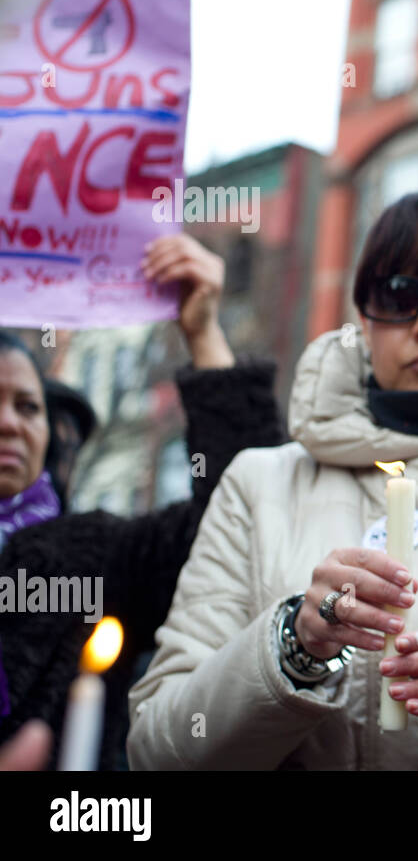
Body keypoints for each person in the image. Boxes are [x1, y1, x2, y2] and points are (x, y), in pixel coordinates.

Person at [127, 189, 418, 770]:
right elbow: (158, 751)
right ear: (364, 322)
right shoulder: (262, 484)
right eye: (398, 297)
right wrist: (294, 646)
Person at [0, 233, 285, 769]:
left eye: (27, 406)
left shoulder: (97, 554)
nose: (11, 423)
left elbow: (242, 510)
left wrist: (202, 334)